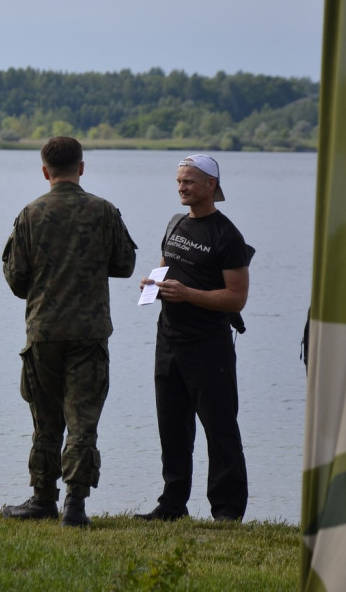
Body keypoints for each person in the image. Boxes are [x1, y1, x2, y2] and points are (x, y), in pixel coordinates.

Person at [0, 136, 137, 527]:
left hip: (43, 332)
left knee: (45, 420)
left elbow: (15, 279)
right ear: (81, 167)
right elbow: (125, 264)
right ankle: (75, 506)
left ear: (45, 171)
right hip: (89, 333)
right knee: (82, 420)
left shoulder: (30, 213)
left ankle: (43, 498)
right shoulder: (104, 211)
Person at [135, 154, 251, 523]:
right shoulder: (175, 224)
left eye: (188, 181)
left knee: (220, 429)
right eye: (179, 181)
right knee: (172, 427)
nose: (181, 187)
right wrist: (153, 284)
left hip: (208, 345)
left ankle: (227, 511)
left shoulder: (227, 236)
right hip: (168, 340)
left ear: (210, 186)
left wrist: (189, 295)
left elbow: (236, 298)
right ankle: (172, 504)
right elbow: (167, 266)